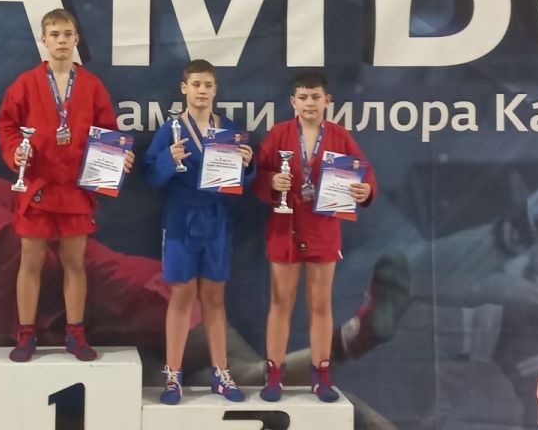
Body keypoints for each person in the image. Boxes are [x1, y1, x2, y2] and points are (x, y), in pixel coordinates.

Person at [0, 8, 134, 363]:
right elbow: (7, 126)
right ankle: (26, 334)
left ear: (76, 40)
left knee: (75, 262)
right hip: (38, 184)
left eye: (67, 34)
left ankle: (76, 333)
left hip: (74, 187)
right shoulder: (25, 83)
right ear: (44, 40)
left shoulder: (91, 85)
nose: (61, 40)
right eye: (55, 34)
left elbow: (108, 130)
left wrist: (117, 157)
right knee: (31, 261)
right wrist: (15, 153)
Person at [254, 70, 377, 402]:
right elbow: (258, 174)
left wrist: (366, 190)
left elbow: (364, 173)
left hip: (322, 227)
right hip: (285, 227)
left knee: (320, 303)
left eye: (315, 97)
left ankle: (321, 375)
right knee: (280, 302)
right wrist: (270, 183)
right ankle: (274, 375)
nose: (309, 103)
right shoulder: (278, 134)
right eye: (303, 97)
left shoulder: (340, 136)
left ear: (327, 101)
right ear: (293, 102)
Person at [143, 59, 255, 405]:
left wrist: (247, 165)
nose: (202, 91)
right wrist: (168, 158)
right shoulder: (171, 130)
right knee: (181, 296)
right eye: (196, 84)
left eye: (208, 85)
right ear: (184, 88)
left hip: (216, 220)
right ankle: (173, 375)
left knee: (214, 299)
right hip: (181, 220)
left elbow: (241, 183)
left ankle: (221, 373)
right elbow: (151, 177)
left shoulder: (228, 129)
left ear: (215, 90)